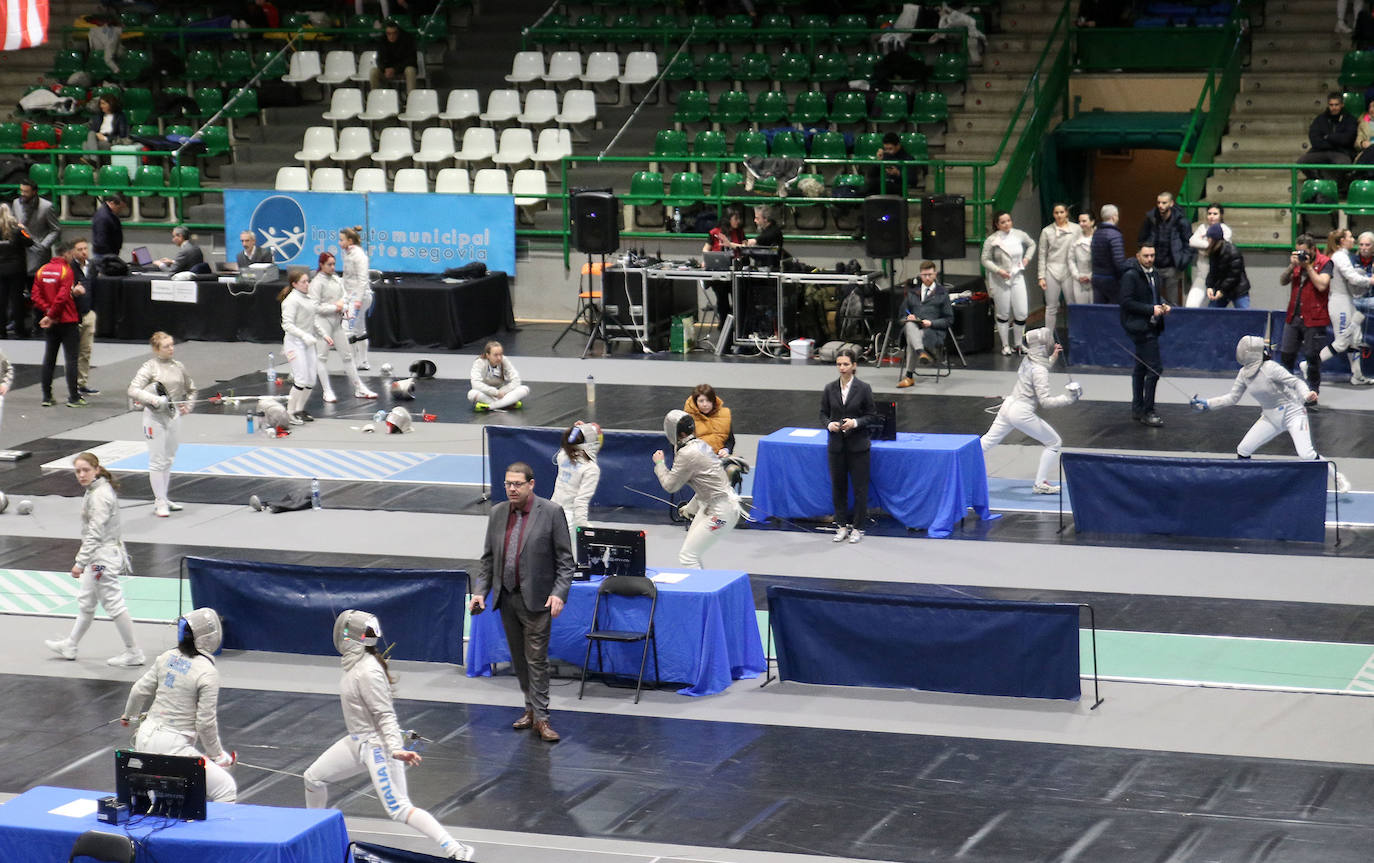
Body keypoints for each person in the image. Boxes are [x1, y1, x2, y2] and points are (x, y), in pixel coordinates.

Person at [304, 610, 475, 860]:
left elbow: (385, 715)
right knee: (313, 777)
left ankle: (457, 850)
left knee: (399, 808)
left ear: (353, 637)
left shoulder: (368, 671)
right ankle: (314, 833)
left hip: (378, 747)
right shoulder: (357, 664)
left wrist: (394, 748)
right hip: (357, 741)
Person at [470, 462, 576, 743]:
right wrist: (480, 591)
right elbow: (488, 559)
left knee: (536, 659)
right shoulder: (497, 513)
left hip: (538, 600)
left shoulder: (551, 512)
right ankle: (530, 707)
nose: (512, 489)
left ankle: (542, 718)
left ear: (531, 484)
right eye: (508, 484)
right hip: (506, 599)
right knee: (519, 659)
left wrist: (559, 592)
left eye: (517, 484)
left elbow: (566, 562)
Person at [1191, 336, 1350, 493]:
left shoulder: (1270, 368)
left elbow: (1295, 382)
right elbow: (1232, 398)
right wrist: (1207, 404)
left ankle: (1337, 477)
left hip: (1293, 413)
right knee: (1244, 449)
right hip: (1270, 417)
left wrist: (1306, 395)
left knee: (1306, 454)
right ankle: (1247, 484)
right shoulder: (1244, 373)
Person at [121, 608, 236, 803]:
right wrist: (218, 756)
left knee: (172, 795)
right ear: (212, 637)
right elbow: (205, 723)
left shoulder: (167, 657)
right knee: (226, 789)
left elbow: (139, 690)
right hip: (173, 748)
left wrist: (129, 717)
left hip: (143, 740)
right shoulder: (207, 672)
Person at [43, 452, 144, 667]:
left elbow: (95, 533)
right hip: (101, 555)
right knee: (87, 602)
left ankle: (134, 652)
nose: (81, 475)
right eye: (78, 471)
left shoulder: (99, 496)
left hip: (101, 559)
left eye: (86, 470)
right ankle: (71, 644)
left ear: (96, 469)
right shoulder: (96, 489)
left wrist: (80, 563)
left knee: (114, 604)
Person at [980, 328, 1083, 494]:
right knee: (1054, 443)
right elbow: (1045, 402)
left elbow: (1040, 366)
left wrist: (1053, 357)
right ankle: (1040, 483)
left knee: (986, 443)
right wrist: (1068, 398)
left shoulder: (1028, 359)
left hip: (1009, 405)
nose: (1050, 343)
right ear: (1041, 348)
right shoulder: (1039, 370)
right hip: (1021, 412)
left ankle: (956, 466)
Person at [653, 410, 742, 566]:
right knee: (691, 553)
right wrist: (690, 508)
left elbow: (670, 485)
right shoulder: (700, 445)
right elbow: (707, 488)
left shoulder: (688, 453)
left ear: (675, 432)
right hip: (712, 506)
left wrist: (660, 464)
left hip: (721, 513)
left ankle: (697, 590)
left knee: (688, 557)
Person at [128, 332, 196, 517]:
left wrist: (188, 405)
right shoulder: (149, 367)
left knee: (169, 459)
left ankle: (164, 497)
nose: (171, 348)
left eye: (172, 345)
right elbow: (133, 390)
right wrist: (154, 399)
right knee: (157, 461)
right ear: (156, 349)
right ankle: (159, 502)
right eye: (166, 346)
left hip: (173, 417)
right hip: (154, 418)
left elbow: (191, 389)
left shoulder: (178, 367)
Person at [820, 347, 881, 543]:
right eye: (839, 364)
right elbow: (823, 413)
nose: (842, 368)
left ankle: (858, 527)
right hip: (836, 446)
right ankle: (841, 525)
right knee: (838, 487)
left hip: (858, 447)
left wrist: (855, 423)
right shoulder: (830, 388)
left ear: (854, 366)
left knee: (860, 488)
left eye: (846, 364)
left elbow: (872, 416)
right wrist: (829, 424)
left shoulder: (863, 388)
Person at [310, 251, 376, 402]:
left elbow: (345, 297)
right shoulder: (316, 283)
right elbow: (314, 307)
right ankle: (327, 391)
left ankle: (359, 387)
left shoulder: (336, 279)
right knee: (322, 358)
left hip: (337, 323)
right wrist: (335, 307)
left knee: (347, 356)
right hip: (323, 323)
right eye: (329, 264)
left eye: (334, 264)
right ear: (321, 265)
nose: (332, 267)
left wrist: (344, 306)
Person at [1312, 229, 1374, 384]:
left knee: (1356, 338)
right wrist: (1370, 281)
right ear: (1342, 241)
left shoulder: (1343, 255)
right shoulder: (1340, 256)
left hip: (1347, 302)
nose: (1353, 239)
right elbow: (1352, 278)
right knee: (1342, 342)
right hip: (1340, 304)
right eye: (1350, 237)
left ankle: (1357, 375)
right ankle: (1309, 365)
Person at [1120, 243, 1170, 426]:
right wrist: (1150, 309)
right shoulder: (1130, 275)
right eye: (1146, 256)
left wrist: (1163, 304)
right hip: (1139, 327)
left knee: (1140, 368)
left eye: (1152, 255)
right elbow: (1126, 302)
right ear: (1138, 256)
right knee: (1155, 368)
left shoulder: (1155, 273)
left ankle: (1137, 407)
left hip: (1152, 326)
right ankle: (1148, 411)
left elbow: (1155, 296)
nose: (1150, 259)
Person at [1279, 233, 1331, 406]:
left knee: (1311, 357)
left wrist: (1308, 267)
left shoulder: (1324, 262)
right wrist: (1290, 266)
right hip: (1293, 315)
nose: (1301, 255)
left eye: (1303, 252)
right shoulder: (1296, 264)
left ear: (1312, 249)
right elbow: (1282, 281)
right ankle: (1287, 391)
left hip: (1315, 317)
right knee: (1286, 354)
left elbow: (1322, 285)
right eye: (1298, 251)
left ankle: (1313, 391)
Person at [32, 241, 84, 408]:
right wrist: (52, 315)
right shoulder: (66, 271)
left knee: (49, 359)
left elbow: (35, 295)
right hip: (67, 321)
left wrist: (47, 312)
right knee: (71, 360)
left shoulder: (42, 270)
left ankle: (46, 397)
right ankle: (74, 398)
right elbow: (62, 298)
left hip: (51, 323)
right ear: (66, 254)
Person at [979, 210, 1036, 355]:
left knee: (1022, 312)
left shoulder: (1019, 234)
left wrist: (1026, 258)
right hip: (1000, 279)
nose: (1006, 224)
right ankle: (1005, 345)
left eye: (1008, 221)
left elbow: (1032, 244)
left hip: (1017, 276)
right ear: (997, 224)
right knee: (1003, 313)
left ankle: (1018, 344)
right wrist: (998, 270)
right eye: (1003, 222)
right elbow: (984, 260)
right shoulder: (992, 240)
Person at [896, 261, 954, 386]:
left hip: (932, 331)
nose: (927, 278)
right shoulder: (912, 293)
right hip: (914, 328)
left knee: (911, 337)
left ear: (935, 274)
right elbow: (901, 317)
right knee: (910, 325)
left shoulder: (942, 294)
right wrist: (908, 317)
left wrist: (931, 323)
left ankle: (909, 376)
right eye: (924, 275)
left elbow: (949, 320)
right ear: (920, 275)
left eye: (929, 274)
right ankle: (921, 352)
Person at [13, 177, 61, 323]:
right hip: (21, 253)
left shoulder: (47, 207)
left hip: (39, 255)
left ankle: (39, 321)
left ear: (34, 192)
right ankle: (21, 321)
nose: (23, 194)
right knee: (20, 290)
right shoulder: (16, 203)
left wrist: (43, 245)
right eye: (21, 190)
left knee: (39, 292)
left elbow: (56, 229)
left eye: (26, 191)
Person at [1137, 191, 1193, 306]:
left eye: (1164, 202)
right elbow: (1141, 239)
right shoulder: (1151, 219)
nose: (1160, 205)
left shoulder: (1181, 221)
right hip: (1153, 265)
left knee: (1172, 302)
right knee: (1151, 299)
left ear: (1171, 203)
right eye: (1158, 202)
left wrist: (1182, 262)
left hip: (1172, 267)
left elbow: (1188, 243)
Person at [279, 267, 318, 425]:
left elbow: (313, 320)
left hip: (307, 343)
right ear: (294, 284)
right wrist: (303, 335)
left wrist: (323, 334)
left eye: (308, 281)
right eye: (303, 282)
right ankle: (289, 412)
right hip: (294, 344)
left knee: (311, 380)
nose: (307, 284)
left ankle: (299, 410)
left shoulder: (307, 297)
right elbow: (287, 325)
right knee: (301, 380)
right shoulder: (291, 301)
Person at [551, 420, 602, 534]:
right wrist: (584, 527)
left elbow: (569, 441)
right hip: (569, 520)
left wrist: (580, 430)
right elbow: (581, 501)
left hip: (550, 512)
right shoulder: (591, 469)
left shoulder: (562, 456)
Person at [1299, 93, 1358, 185]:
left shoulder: (1350, 120)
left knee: (1343, 164)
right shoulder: (1320, 119)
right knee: (1302, 162)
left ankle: (1335, 187)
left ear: (1342, 105)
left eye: (1336, 105)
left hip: (1342, 152)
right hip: (1319, 151)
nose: (1333, 107)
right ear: (1328, 105)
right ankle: (1319, 181)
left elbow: (1348, 139)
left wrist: (1328, 137)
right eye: (1331, 105)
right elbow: (1315, 140)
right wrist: (1336, 141)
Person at [1037, 203, 1077, 336]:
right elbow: (1042, 254)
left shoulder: (1076, 229)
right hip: (1052, 270)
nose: (1059, 215)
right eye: (1056, 213)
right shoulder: (1047, 231)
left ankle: (1074, 335)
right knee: (1051, 307)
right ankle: (1048, 338)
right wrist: (1041, 276)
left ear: (1066, 213)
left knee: (1072, 305)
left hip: (1069, 271)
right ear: (1053, 214)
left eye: (1061, 212)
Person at [702, 206, 745, 322]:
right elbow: (706, 249)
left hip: (735, 272)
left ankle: (738, 326)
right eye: (735, 219)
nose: (738, 221)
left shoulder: (740, 232)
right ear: (728, 219)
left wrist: (730, 244)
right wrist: (706, 259)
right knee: (722, 301)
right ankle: (723, 326)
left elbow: (745, 247)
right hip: (719, 273)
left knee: (739, 300)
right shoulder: (714, 233)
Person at [338, 226, 373, 371]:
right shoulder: (347, 253)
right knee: (359, 329)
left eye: (342, 240)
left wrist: (357, 300)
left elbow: (363, 279)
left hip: (360, 297)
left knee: (347, 330)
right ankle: (362, 362)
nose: (339, 243)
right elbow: (346, 277)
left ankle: (351, 363)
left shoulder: (359, 256)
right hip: (351, 296)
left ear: (350, 241)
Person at [1185, 203, 1232, 307]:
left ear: (1221, 215)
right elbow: (1192, 241)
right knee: (1191, 305)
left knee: (1215, 310)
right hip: (1202, 275)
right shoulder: (1202, 227)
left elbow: (1219, 248)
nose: (1211, 216)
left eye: (1215, 213)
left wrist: (1203, 247)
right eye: (1209, 213)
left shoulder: (1225, 230)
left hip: (1218, 278)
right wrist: (1209, 246)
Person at [70, 237, 98, 396]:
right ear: (74, 251)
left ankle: (82, 383)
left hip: (88, 314)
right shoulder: (69, 268)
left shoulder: (92, 267)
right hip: (73, 316)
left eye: (85, 248)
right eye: (79, 249)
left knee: (86, 351)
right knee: (73, 352)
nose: (83, 252)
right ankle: (72, 384)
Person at [0, 204, 32, 342]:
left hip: (0, 269)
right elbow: (30, 241)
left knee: (1, 301)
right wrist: (24, 229)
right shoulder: (17, 229)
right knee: (17, 300)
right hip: (16, 269)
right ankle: (20, 330)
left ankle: (1, 331)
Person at [468, 340, 528, 411]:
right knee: (472, 394)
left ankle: (490, 407)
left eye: (501, 354)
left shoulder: (504, 360)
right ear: (488, 355)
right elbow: (476, 384)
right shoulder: (479, 363)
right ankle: (506, 404)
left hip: (502, 394)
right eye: (495, 355)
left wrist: (503, 391)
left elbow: (516, 380)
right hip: (487, 393)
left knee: (524, 389)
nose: (499, 358)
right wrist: (495, 392)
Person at [1203, 224, 1251, 309]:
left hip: (1238, 289)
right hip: (1222, 289)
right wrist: (1209, 286)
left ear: (1215, 239)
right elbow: (1212, 272)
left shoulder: (1233, 251)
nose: (1207, 240)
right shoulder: (1213, 252)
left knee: (1245, 316)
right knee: (1211, 314)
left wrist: (1222, 290)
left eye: (1209, 238)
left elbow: (1234, 275)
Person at [864, 131, 923, 197]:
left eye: (890, 149)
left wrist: (898, 173)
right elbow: (871, 175)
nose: (888, 151)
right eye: (886, 149)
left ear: (898, 146)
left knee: (877, 186)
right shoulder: (884, 156)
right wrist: (878, 161)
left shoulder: (908, 159)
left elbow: (913, 181)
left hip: (897, 187)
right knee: (869, 187)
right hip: (880, 186)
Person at [1090, 204, 1126, 304]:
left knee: (1100, 310)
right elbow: (1118, 261)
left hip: (1096, 277)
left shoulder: (1096, 233)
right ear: (1114, 217)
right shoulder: (1115, 235)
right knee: (1115, 311)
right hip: (1111, 279)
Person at [684, 383, 734, 454]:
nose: (705, 404)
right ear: (695, 402)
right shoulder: (687, 419)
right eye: (701, 401)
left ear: (713, 401)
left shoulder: (724, 415)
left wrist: (726, 450)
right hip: (697, 459)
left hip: (720, 458)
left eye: (708, 400)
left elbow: (730, 440)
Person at [370, 20, 418, 92]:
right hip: (387, 72)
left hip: (402, 71)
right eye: (389, 34)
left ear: (398, 33)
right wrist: (385, 69)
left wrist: (395, 69)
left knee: (410, 70)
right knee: (373, 71)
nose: (391, 36)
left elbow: (411, 60)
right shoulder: (382, 41)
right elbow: (379, 59)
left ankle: (411, 98)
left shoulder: (407, 40)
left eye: (394, 33)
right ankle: (375, 98)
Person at [1066, 210, 1095, 305]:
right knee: (1081, 308)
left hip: (1094, 279)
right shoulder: (1075, 238)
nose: (1081, 224)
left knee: (1095, 309)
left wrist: (1091, 276)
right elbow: (1070, 259)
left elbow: (1102, 260)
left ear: (1092, 222)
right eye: (1080, 221)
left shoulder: (1098, 237)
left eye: (1084, 221)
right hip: (1079, 279)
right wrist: (1077, 275)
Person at [91, 193, 127, 267]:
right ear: (112, 203)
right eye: (119, 208)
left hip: (109, 254)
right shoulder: (103, 217)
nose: (121, 211)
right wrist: (110, 256)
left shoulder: (110, 214)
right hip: (104, 257)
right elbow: (101, 240)